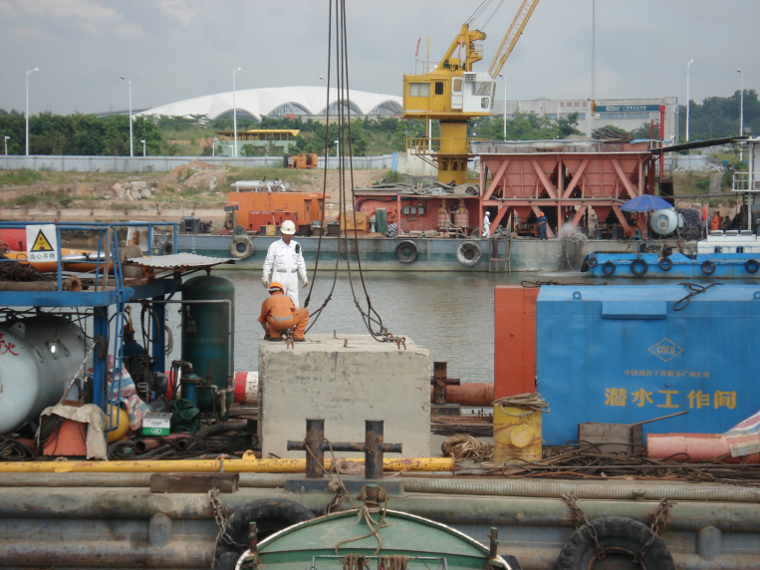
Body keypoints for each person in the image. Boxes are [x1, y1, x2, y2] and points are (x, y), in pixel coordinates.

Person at [262, 220, 308, 308]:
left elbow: (300, 262)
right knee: (277, 302)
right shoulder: (274, 246)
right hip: (279, 276)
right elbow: (268, 262)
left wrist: (304, 276)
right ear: (282, 232)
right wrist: (265, 276)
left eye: (290, 234)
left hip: (293, 276)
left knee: (293, 302)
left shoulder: (296, 245)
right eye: (286, 234)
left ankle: (293, 320)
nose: (288, 236)